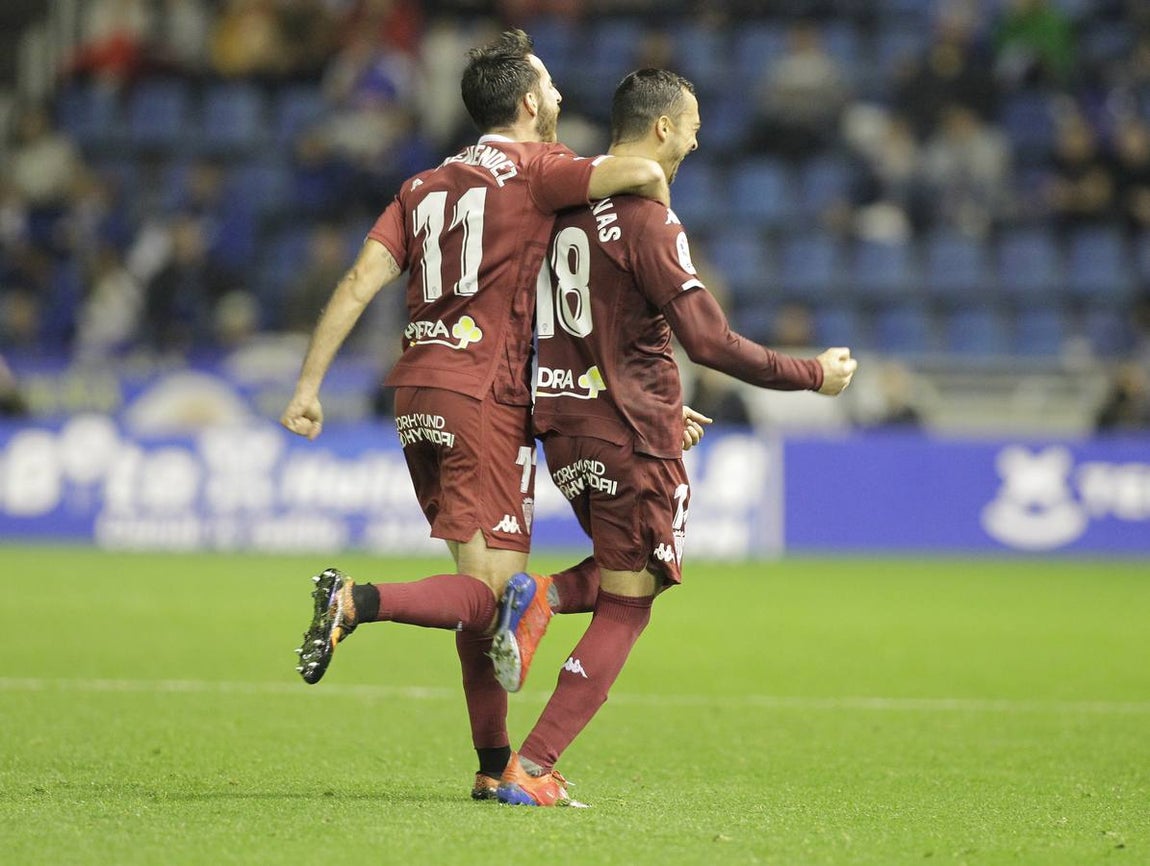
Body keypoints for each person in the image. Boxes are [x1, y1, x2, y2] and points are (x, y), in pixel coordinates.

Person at [279, 29, 671, 800]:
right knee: (495, 601)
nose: (560, 99)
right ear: (529, 103)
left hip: (415, 393)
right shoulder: (539, 168)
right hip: (482, 394)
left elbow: (360, 280)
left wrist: (308, 386)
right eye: (552, 88)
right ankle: (357, 601)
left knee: (482, 596)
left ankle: (494, 769)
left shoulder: (422, 185)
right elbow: (643, 168)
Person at [492, 69, 857, 807]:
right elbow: (709, 341)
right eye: (691, 122)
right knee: (632, 600)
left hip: (566, 423)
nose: (697, 135)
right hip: (629, 436)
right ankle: (532, 765)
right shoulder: (648, 219)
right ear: (661, 128)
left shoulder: (566, 209)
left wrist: (658, 403)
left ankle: (546, 596)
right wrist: (810, 374)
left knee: (629, 568)